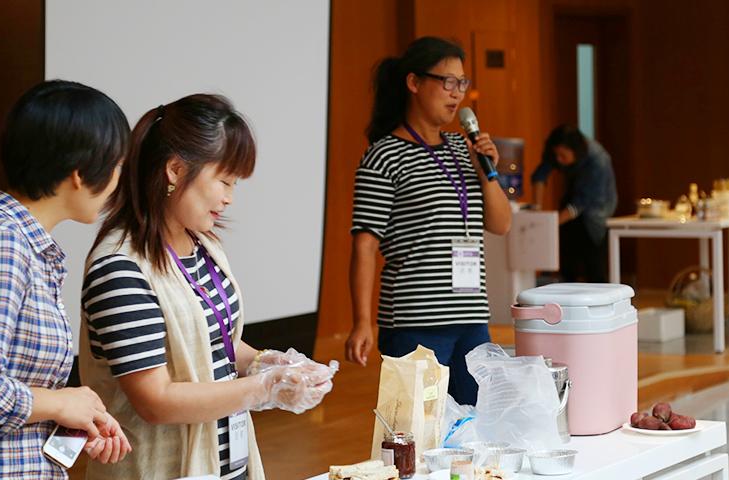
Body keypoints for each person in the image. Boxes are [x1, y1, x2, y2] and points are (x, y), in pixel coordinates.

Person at [80, 94, 336, 480]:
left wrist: (269, 362)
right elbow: (156, 400)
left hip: (224, 463)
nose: (229, 198)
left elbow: (215, 341)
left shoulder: (203, 244)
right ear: (176, 169)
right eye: (225, 180)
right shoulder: (121, 266)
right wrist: (264, 388)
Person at [0, 80, 132, 478]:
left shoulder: (23, 242)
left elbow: (13, 385)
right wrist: (59, 404)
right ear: (79, 172)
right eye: (117, 164)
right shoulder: (0, 240)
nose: (118, 179)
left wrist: (74, 417)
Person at [345, 36, 512, 405]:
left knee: (476, 423)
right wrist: (361, 321)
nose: (456, 94)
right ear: (414, 83)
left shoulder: (462, 148)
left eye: (462, 83)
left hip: (470, 316)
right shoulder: (384, 156)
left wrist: (487, 170)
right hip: (414, 321)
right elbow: (365, 244)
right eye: (447, 82)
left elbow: (501, 224)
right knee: (418, 429)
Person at [531, 125, 618, 283]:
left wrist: (549, 224)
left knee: (594, 265)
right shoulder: (557, 151)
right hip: (573, 202)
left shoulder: (598, 160)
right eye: (556, 154)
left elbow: (582, 202)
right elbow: (540, 175)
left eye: (562, 155)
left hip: (596, 210)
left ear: (575, 151)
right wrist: (537, 209)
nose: (558, 160)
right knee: (566, 261)